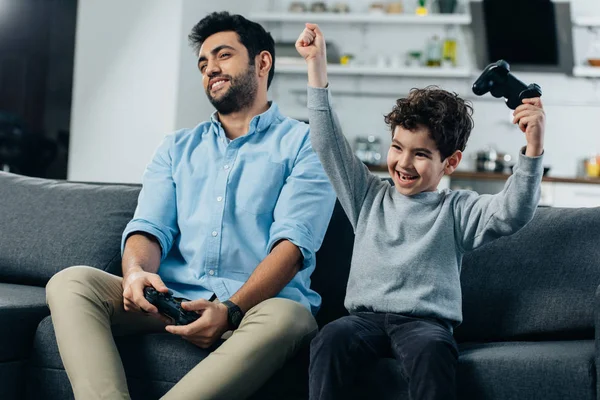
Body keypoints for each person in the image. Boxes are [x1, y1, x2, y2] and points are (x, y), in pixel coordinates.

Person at [46, 12, 336, 400]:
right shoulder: (176, 148)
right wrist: (135, 275)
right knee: (72, 282)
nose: (210, 69)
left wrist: (231, 309)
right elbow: (150, 227)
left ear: (262, 62)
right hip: (172, 299)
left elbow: (292, 246)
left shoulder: (307, 145)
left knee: (291, 317)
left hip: (257, 309)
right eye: (203, 63)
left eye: (223, 55)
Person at [295, 23, 546, 400]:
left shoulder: (457, 209)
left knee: (432, 350)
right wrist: (316, 66)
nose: (403, 162)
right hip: (363, 320)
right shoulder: (367, 196)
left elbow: (513, 211)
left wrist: (534, 147)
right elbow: (326, 143)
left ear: (450, 162)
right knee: (330, 337)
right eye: (397, 148)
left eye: (421, 154)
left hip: (425, 324)